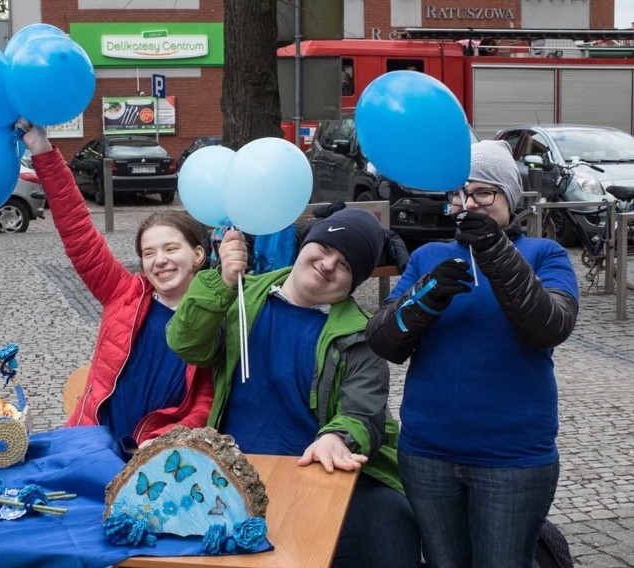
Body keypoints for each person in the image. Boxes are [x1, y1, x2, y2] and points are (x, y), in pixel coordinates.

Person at [167, 208, 421, 567]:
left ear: (353, 283)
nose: (329, 265)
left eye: (346, 265)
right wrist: (220, 282)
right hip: (238, 466)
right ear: (307, 244)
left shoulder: (362, 336)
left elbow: (362, 412)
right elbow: (187, 344)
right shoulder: (242, 294)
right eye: (326, 248)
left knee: (388, 534)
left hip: (323, 471)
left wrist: (338, 437)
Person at [365, 140, 579, 568]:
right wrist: (428, 294)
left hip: (514, 458)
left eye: (484, 193)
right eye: (460, 194)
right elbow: (384, 341)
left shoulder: (544, 255)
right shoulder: (428, 256)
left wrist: (495, 252)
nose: (469, 203)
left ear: (509, 197)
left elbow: (550, 327)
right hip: (428, 454)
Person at [19, 121, 213, 453]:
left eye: (170, 248)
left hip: (157, 456)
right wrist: (42, 150)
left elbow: (207, 398)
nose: (160, 260)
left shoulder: (214, 316)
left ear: (198, 254)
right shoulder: (123, 293)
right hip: (91, 445)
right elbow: (78, 232)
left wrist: (173, 436)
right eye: (148, 253)